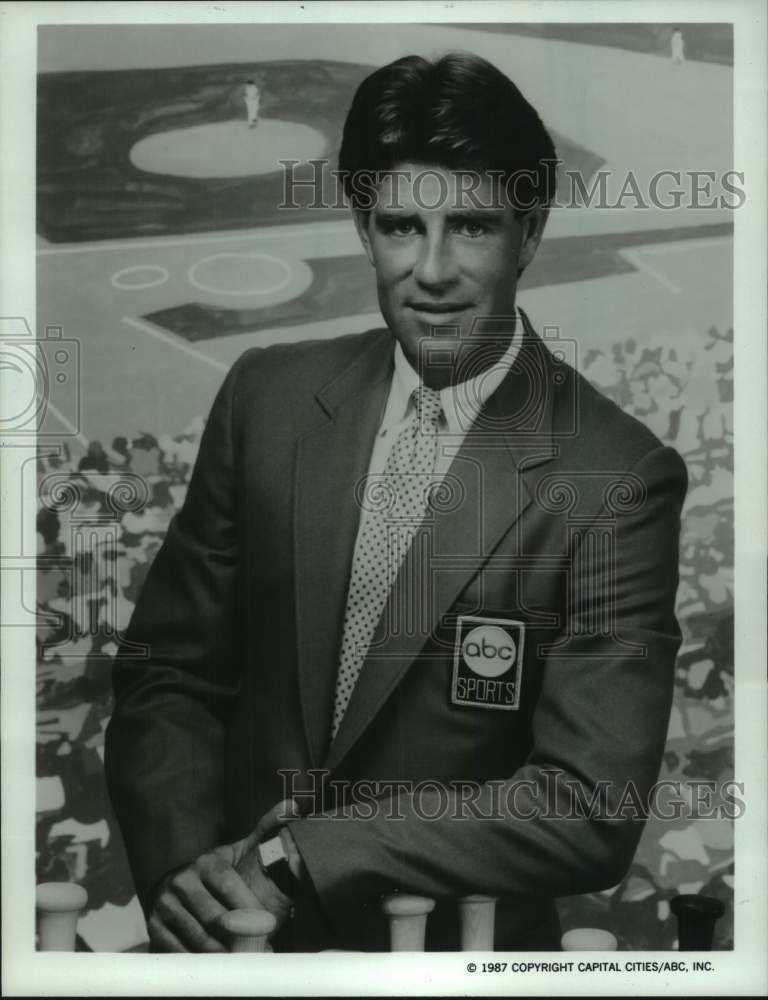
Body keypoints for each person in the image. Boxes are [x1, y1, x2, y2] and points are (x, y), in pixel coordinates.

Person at [105, 53, 687, 953]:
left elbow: (587, 804)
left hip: (456, 955)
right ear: (362, 227)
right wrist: (192, 881)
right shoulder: (265, 398)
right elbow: (167, 673)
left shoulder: (618, 475)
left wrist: (303, 855)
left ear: (529, 233)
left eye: (473, 227)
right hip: (231, 943)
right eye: (402, 226)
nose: (434, 269)